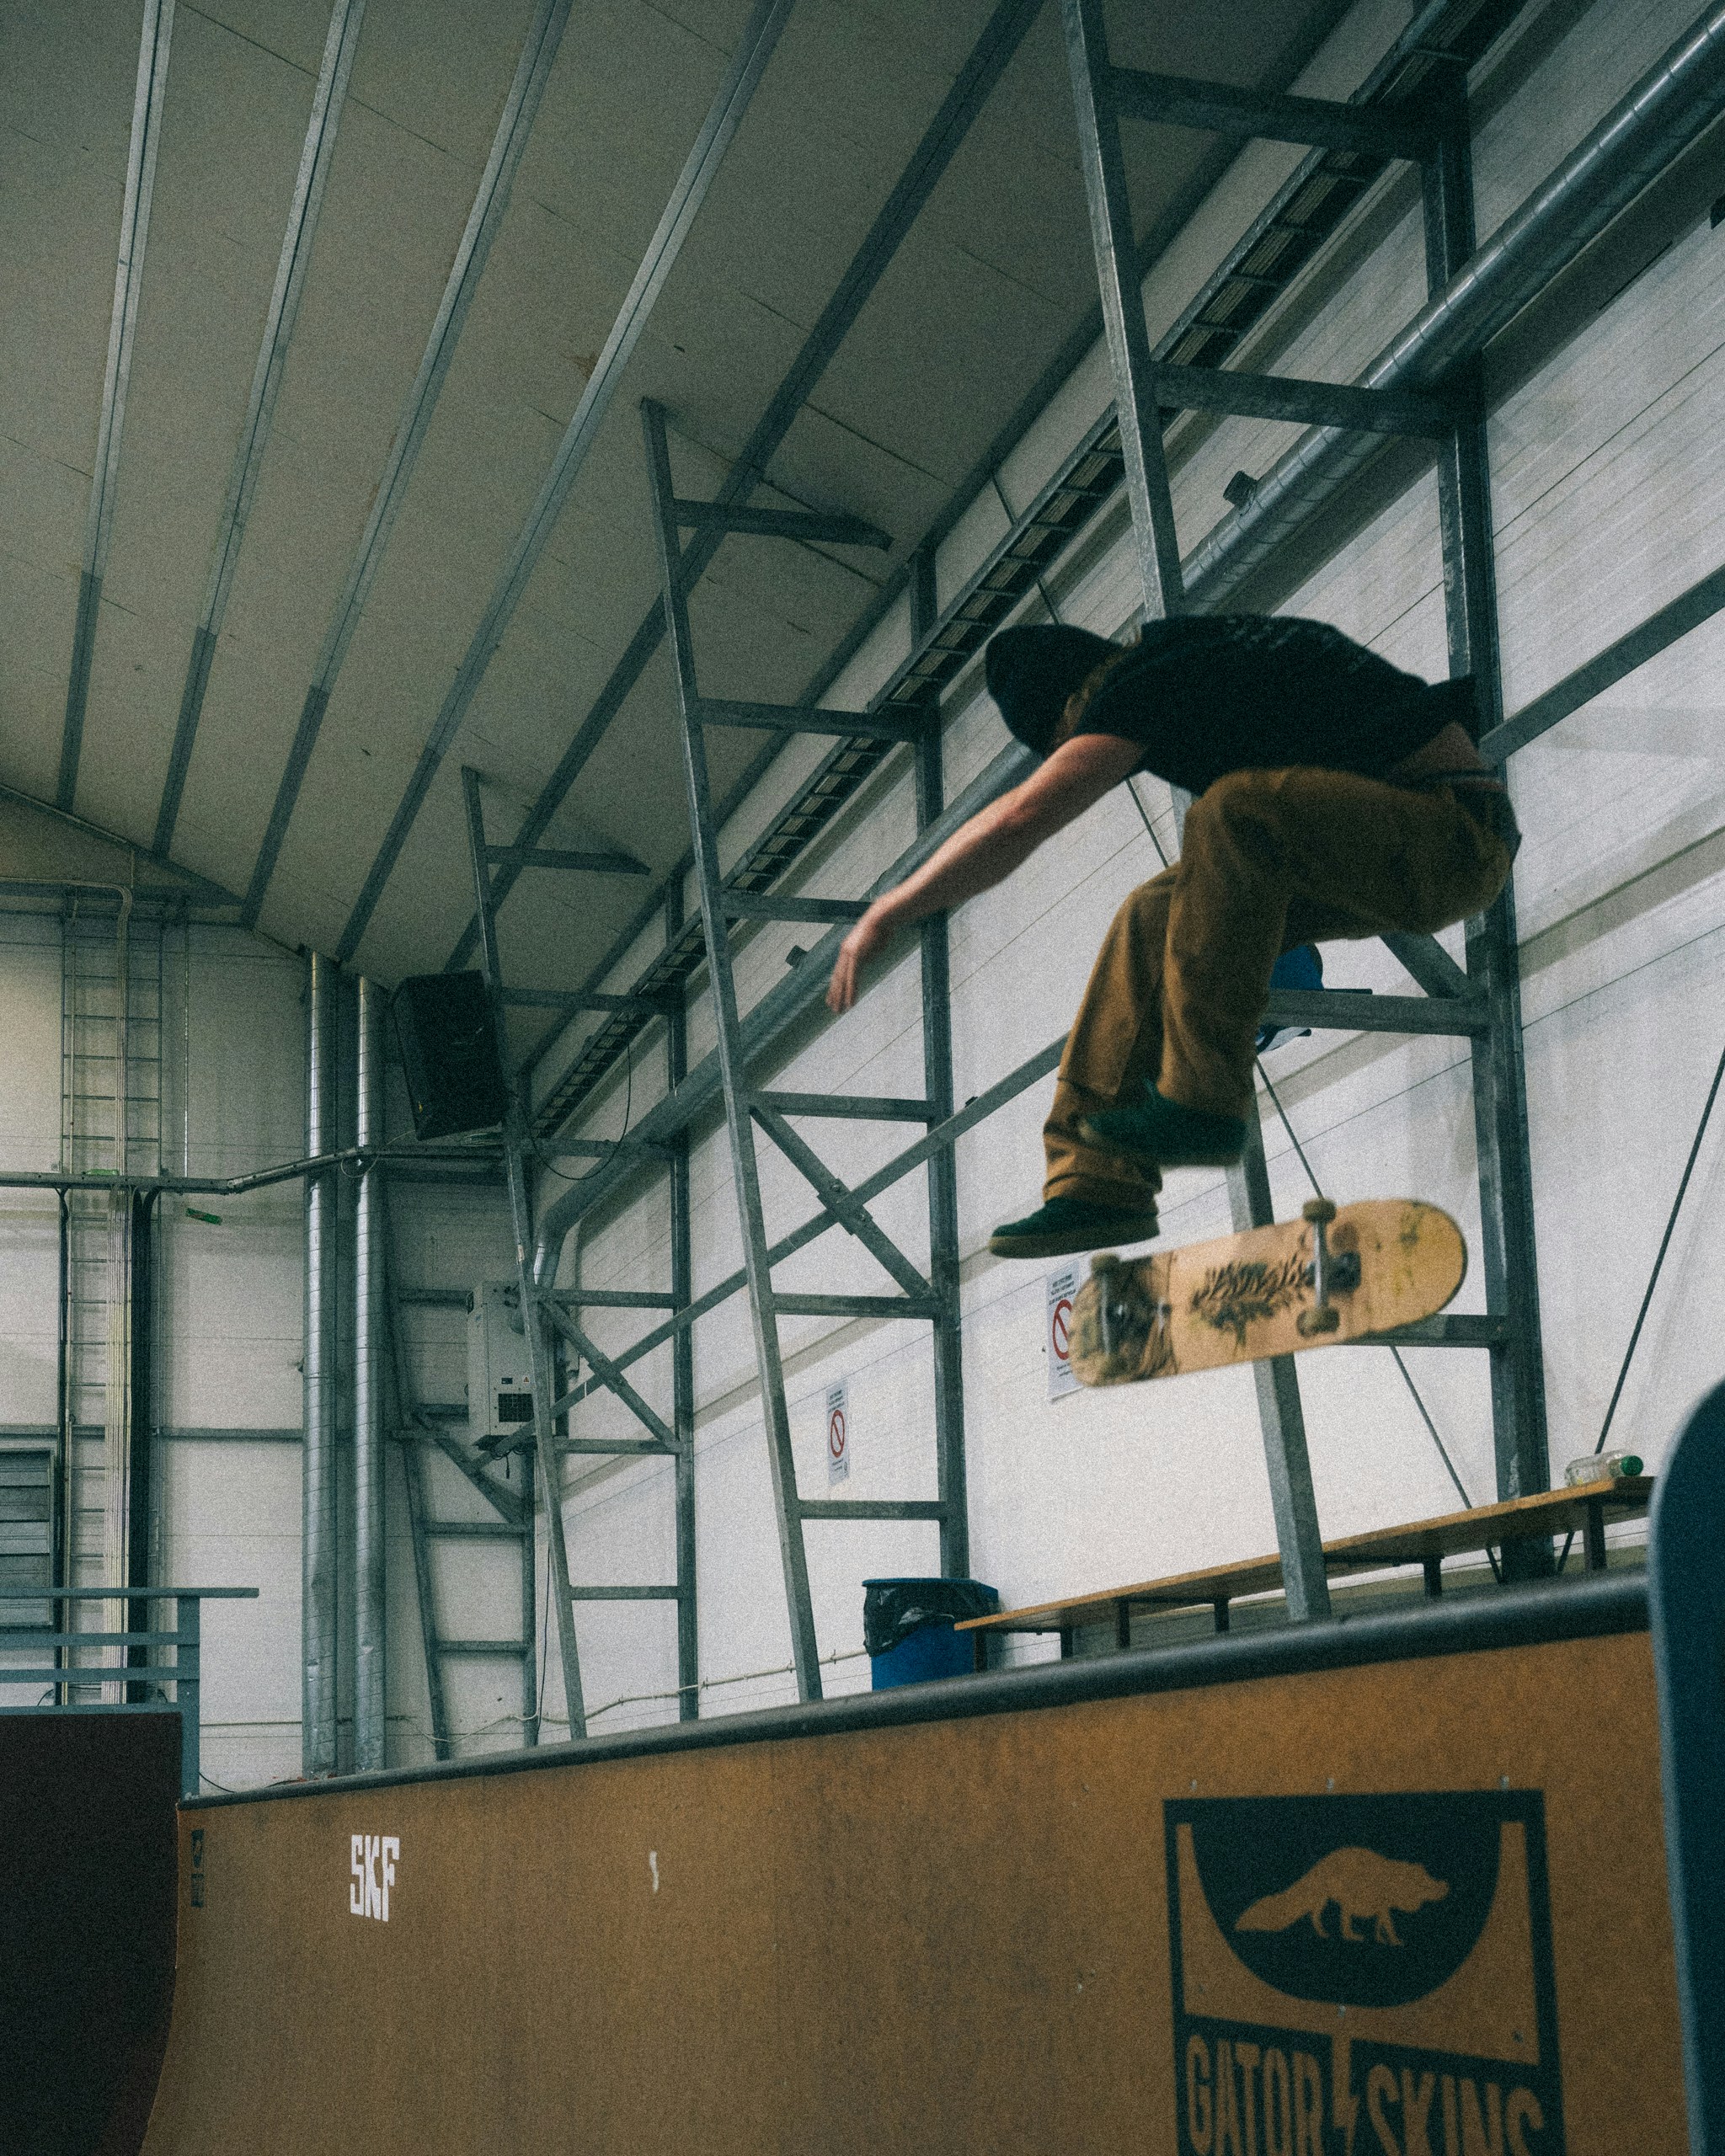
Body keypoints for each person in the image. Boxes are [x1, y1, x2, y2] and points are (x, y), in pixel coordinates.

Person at [825, 613, 1519, 1259]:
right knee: (1152, 910)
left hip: (1455, 837)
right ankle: (1096, 1184)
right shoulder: (1191, 669)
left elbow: (1018, 823)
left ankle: (1201, 1100)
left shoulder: (1145, 681)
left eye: (1066, 745)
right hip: (1373, 843)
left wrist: (890, 911)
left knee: (1233, 812)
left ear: (1072, 709)